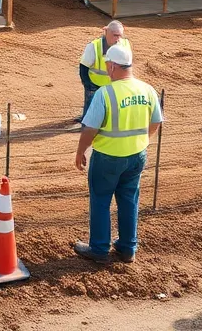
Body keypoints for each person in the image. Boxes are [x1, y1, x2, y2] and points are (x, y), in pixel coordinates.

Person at [73, 44, 162, 265]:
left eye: (106, 65)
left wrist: (80, 151)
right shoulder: (147, 89)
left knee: (101, 200)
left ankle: (99, 249)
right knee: (129, 200)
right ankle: (127, 248)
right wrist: (141, 142)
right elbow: (156, 122)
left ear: (112, 66)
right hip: (137, 156)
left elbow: (90, 129)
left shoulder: (106, 93)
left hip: (107, 157)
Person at [77, 21, 132, 122]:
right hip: (95, 83)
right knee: (90, 106)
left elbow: (128, 66)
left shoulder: (125, 44)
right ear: (106, 31)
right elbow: (83, 67)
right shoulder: (94, 46)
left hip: (115, 84)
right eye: (115, 35)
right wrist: (87, 84)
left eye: (119, 36)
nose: (117, 39)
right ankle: (86, 122)